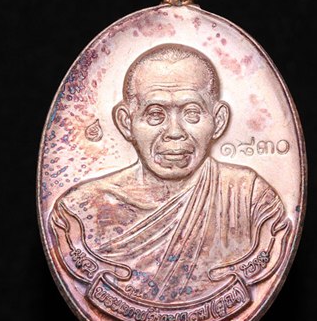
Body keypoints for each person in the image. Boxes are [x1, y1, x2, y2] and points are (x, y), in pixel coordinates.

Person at [50, 43, 288, 305]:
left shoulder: (251, 199)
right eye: (155, 114)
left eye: (191, 113)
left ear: (218, 121)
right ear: (126, 122)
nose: (174, 132)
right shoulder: (81, 211)